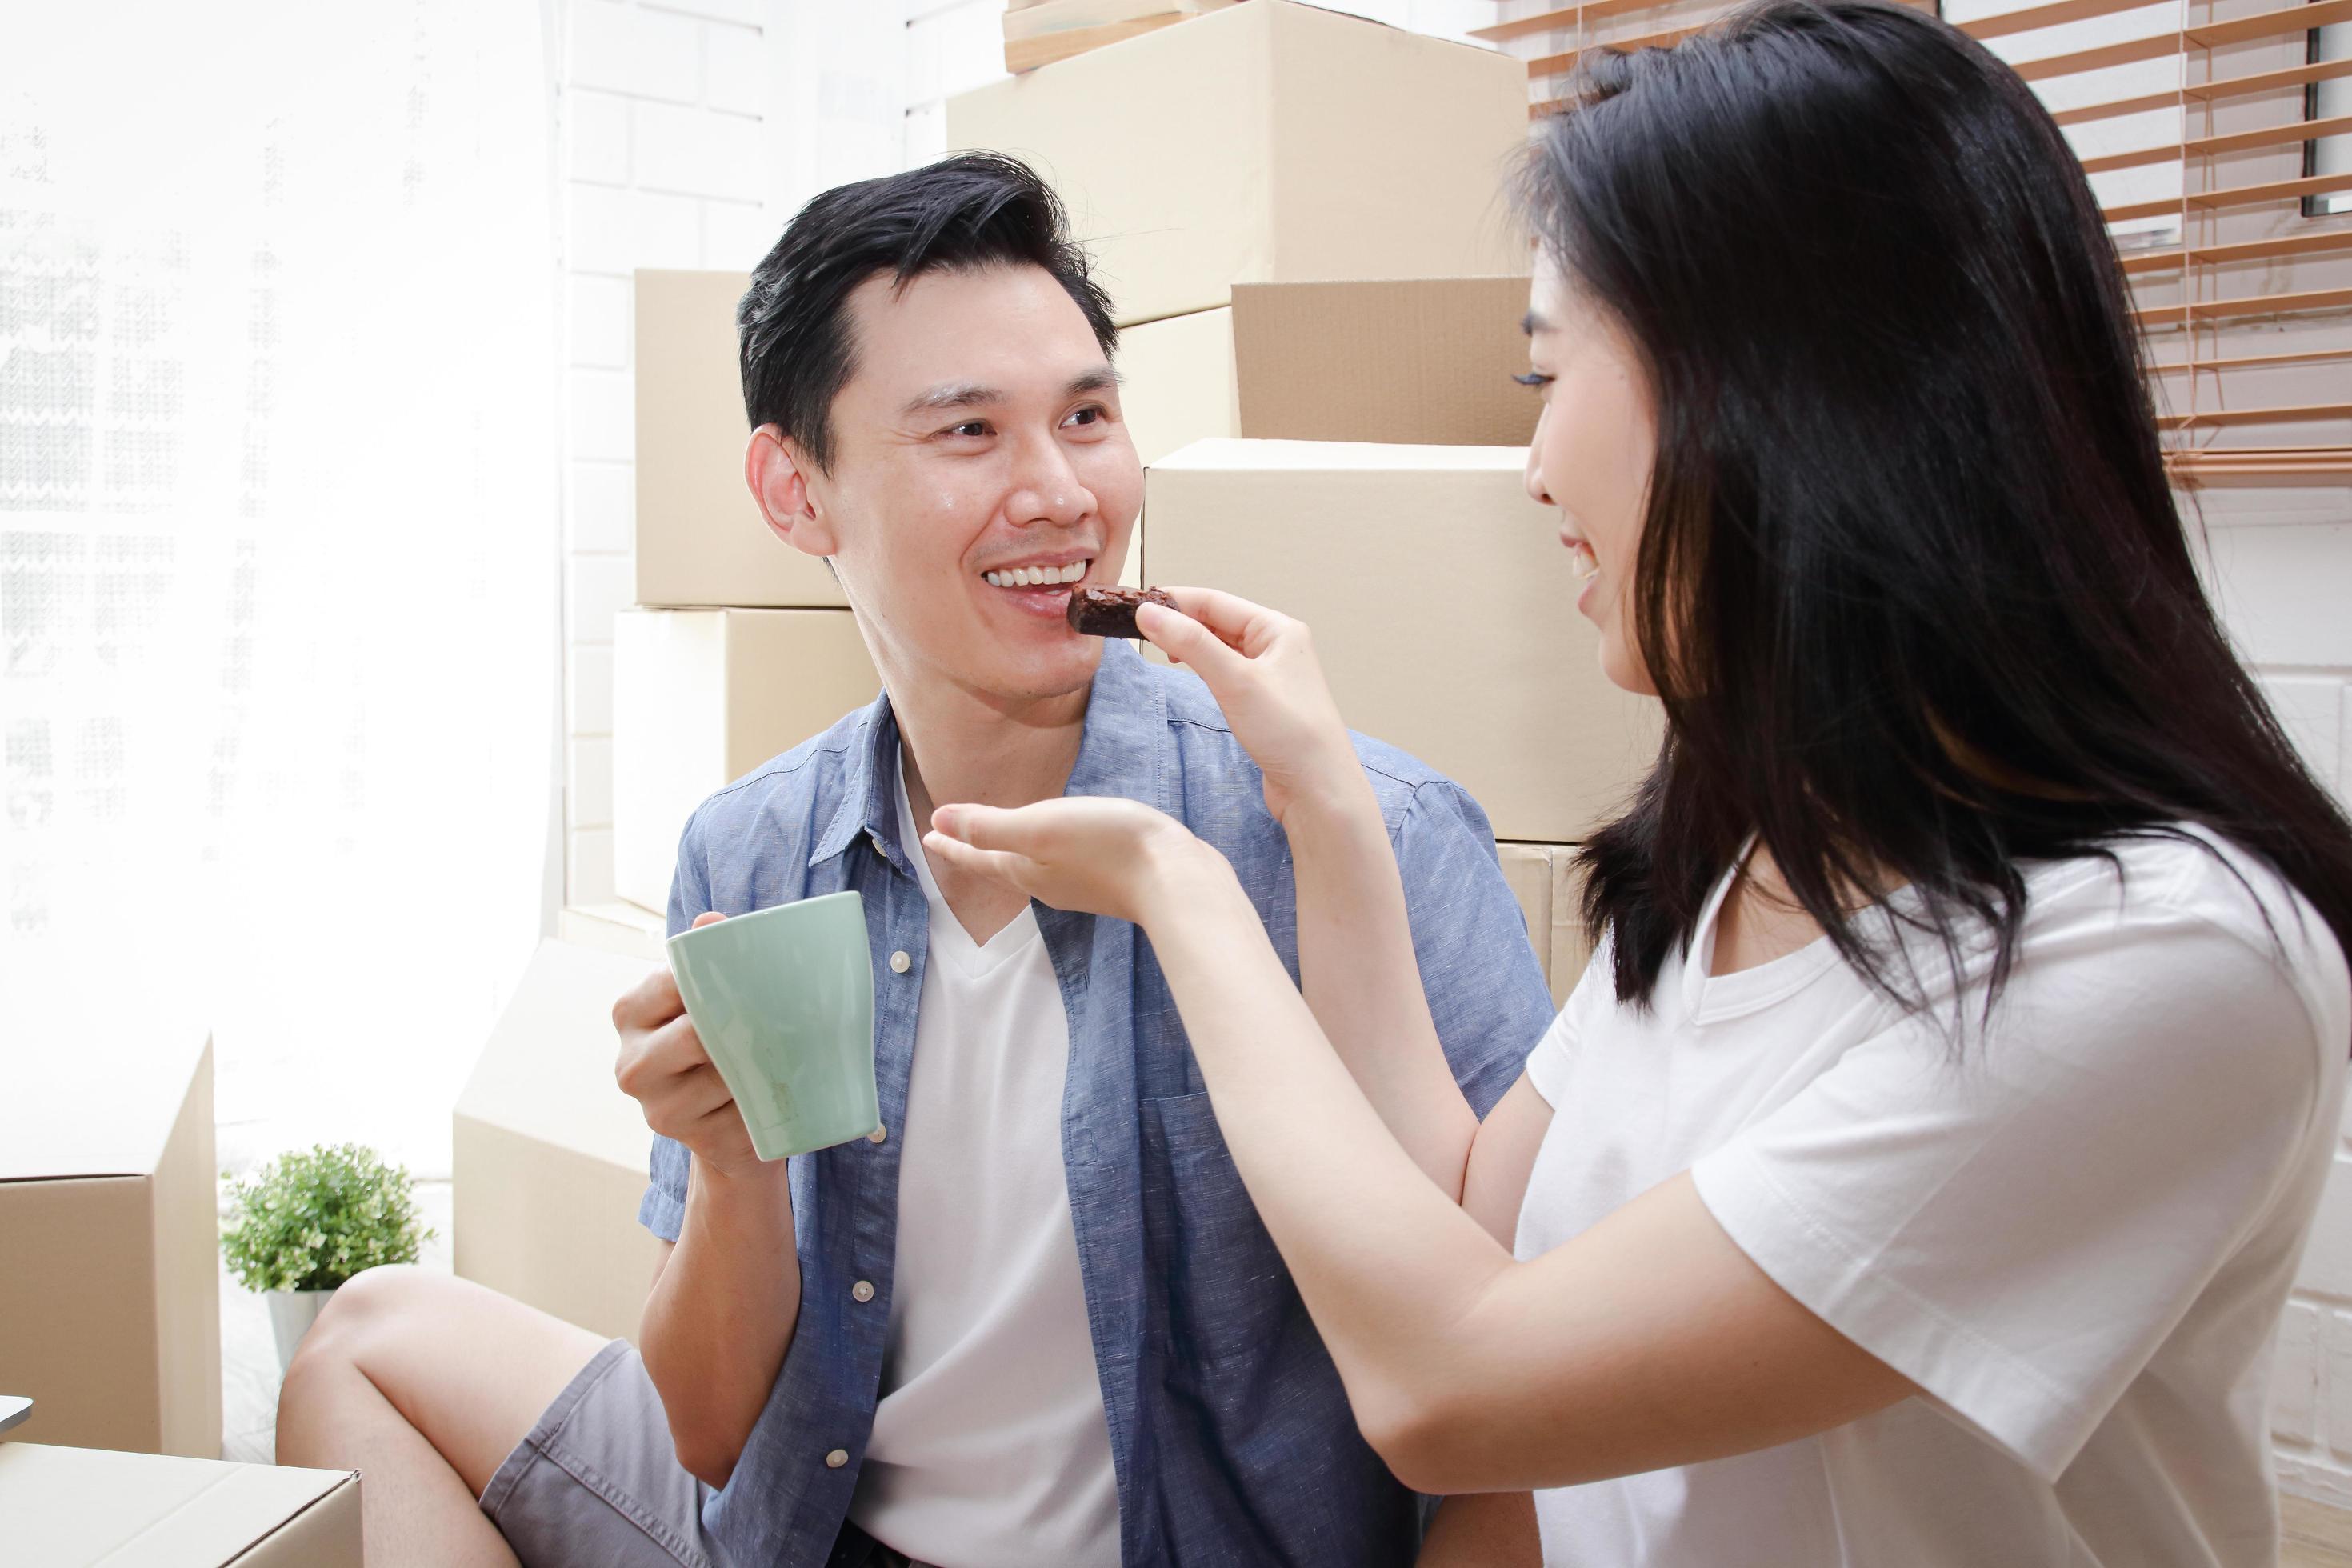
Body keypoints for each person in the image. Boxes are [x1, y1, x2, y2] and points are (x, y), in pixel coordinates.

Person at [917, 7, 2352, 1564]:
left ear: (1778, 390)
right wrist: (1314, 792)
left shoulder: (2167, 957)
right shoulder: (1752, 856)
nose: (1536, 463)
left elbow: (1455, 1377)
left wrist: (1176, 890)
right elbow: (1470, 1218)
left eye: (1553, 370)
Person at [273, 154, 1556, 1567]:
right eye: (969, 433)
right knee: (366, 1332)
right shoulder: (756, 847)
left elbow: (1529, 1424)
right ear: (794, 490)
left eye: (1087, 416)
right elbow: (708, 1429)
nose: (1061, 492)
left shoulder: (1346, 826)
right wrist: (732, 1175)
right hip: (810, 1529)